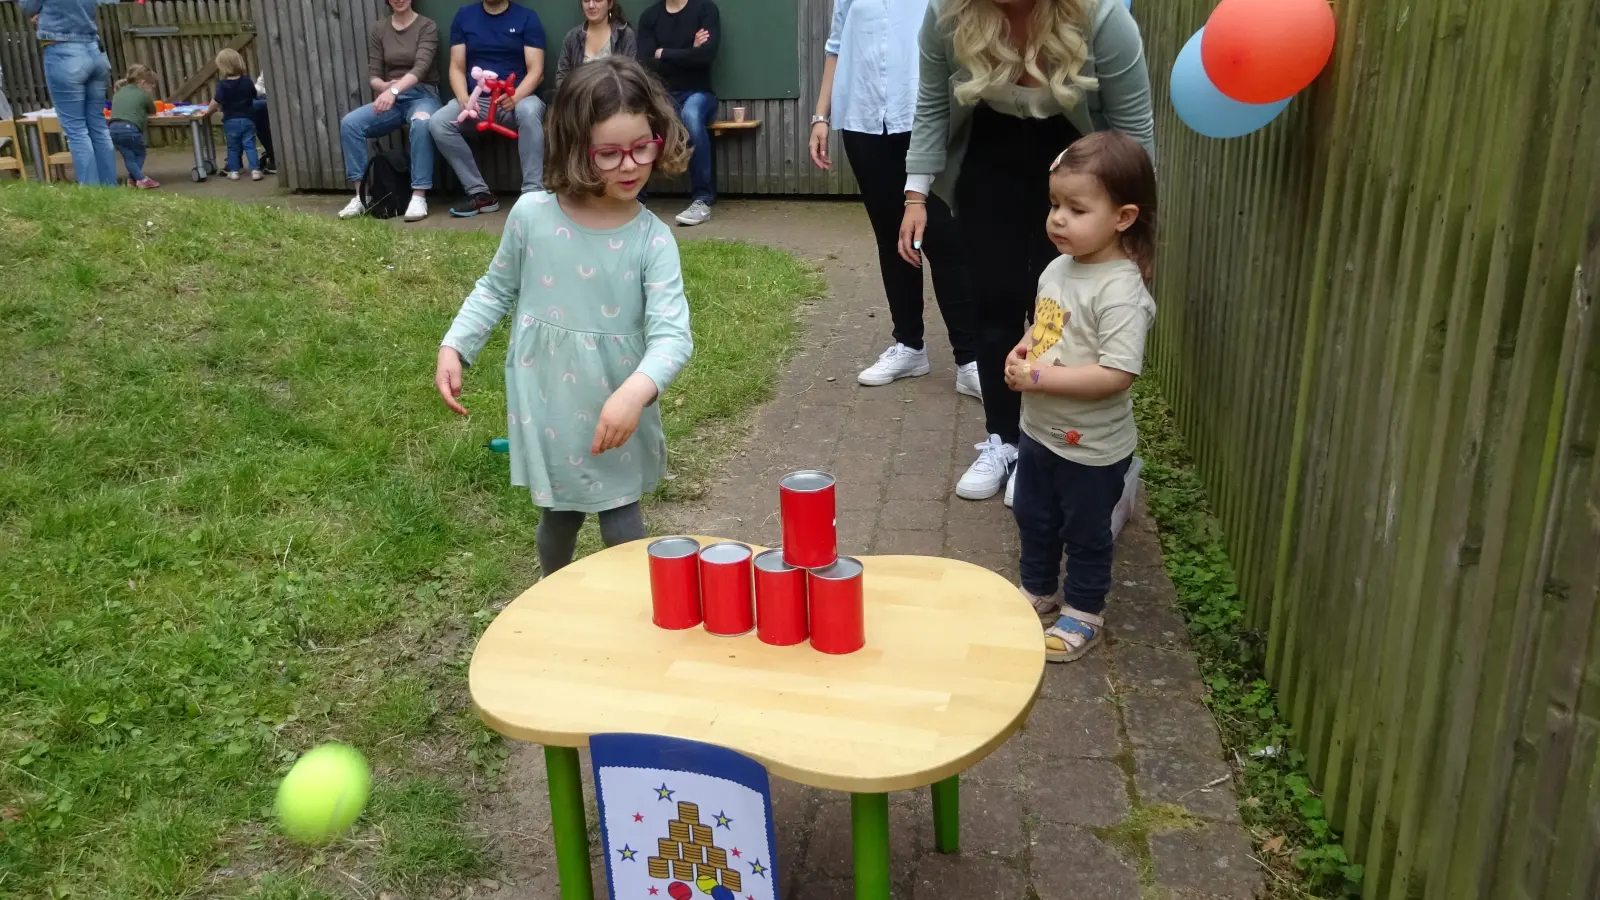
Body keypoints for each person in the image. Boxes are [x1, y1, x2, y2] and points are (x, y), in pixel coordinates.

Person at [434, 56, 694, 576]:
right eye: (609, 153)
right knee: (559, 516)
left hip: (616, 406)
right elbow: (495, 288)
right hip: (548, 402)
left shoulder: (652, 239)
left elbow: (673, 338)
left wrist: (634, 393)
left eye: (643, 147)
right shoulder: (531, 216)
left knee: (622, 517)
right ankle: (552, 598)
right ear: (576, 148)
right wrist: (455, 344)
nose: (630, 165)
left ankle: (632, 615)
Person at [899, 0, 1153, 506]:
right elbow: (931, 103)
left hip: (1077, 161)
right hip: (988, 154)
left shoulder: (1102, 19)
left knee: (1062, 310)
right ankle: (1005, 441)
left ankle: (1050, 449)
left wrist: (1130, 232)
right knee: (993, 306)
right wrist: (915, 194)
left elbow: (1133, 130)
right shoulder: (947, 14)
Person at [1002, 130, 1154, 663]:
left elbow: (1116, 374)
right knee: (1033, 515)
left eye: (1076, 208)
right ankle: (1039, 589)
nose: (1058, 219)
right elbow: (1045, 328)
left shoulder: (1121, 292)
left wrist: (1039, 379)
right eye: (1054, 204)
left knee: (1086, 532)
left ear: (1123, 217)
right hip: (1039, 430)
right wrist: (1023, 352)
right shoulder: (1057, 268)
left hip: (1090, 448)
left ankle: (1084, 611)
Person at [809, 0, 979, 398]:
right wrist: (821, 116)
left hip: (923, 115)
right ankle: (910, 346)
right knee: (891, 237)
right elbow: (836, 47)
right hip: (863, 118)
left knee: (942, 236)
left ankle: (970, 358)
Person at [428, 0, 549, 218]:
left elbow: (537, 70)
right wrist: (465, 99)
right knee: (439, 122)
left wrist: (517, 96)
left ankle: (533, 194)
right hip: (478, 101)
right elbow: (456, 67)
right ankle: (480, 194)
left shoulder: (527, 17)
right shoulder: (464, 16)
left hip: (519, 99)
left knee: (529, 113)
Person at [338, 0, 441, 221]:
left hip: (423, 95)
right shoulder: (379, 29)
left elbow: (421, 68)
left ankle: (419, 195)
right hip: (392, 97)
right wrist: (385, 88)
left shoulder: (427, 26)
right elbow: (373, 76)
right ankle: (360, 197)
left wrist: (393, 90)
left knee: (421, 122)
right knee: (350, 123)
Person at [637, 0, 719, 226]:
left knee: (691, 117)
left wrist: (664, 53)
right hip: (661, 96)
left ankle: (702, 200)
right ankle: (635, 200)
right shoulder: (650, 17)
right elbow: (645, 64)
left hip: (699, 94)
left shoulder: (705, 10)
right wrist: (689, 51)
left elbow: (705, 58)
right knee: (641, 123)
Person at [21, 0, 117, 186]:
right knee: (97, 125)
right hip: (94, 49)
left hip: (63, 50)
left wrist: (44, 16)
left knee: (76, 129)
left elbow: (27, 6)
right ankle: (109, 188)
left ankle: (91, 193)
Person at [203, 49, 262, 181]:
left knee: (232, 148)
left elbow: (215, 102)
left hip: (231, 121)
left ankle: (234, 171)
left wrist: (207, 112)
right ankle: (255, 171)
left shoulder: (223, 85)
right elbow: (254, 95)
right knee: (250, 146)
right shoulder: (247, 81)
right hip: (248, 119)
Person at [556, 0, 637, 92]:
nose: (591, 5)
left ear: (610, 4)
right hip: (578, 101)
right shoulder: (572, 38)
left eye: (598, 0)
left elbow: (629, 79)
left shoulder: (625, 35)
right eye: (586, 1)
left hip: (614, 102)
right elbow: (561, 78)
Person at [108, 64, 159, 189]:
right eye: (151, 86)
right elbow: (152, 110)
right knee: (140, 153)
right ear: (142, 83)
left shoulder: (119, 92)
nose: (151, 90)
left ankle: (133, 179)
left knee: (129, 157)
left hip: (113, 128)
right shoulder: (143, 95)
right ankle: (141, 179)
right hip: (130, 129)